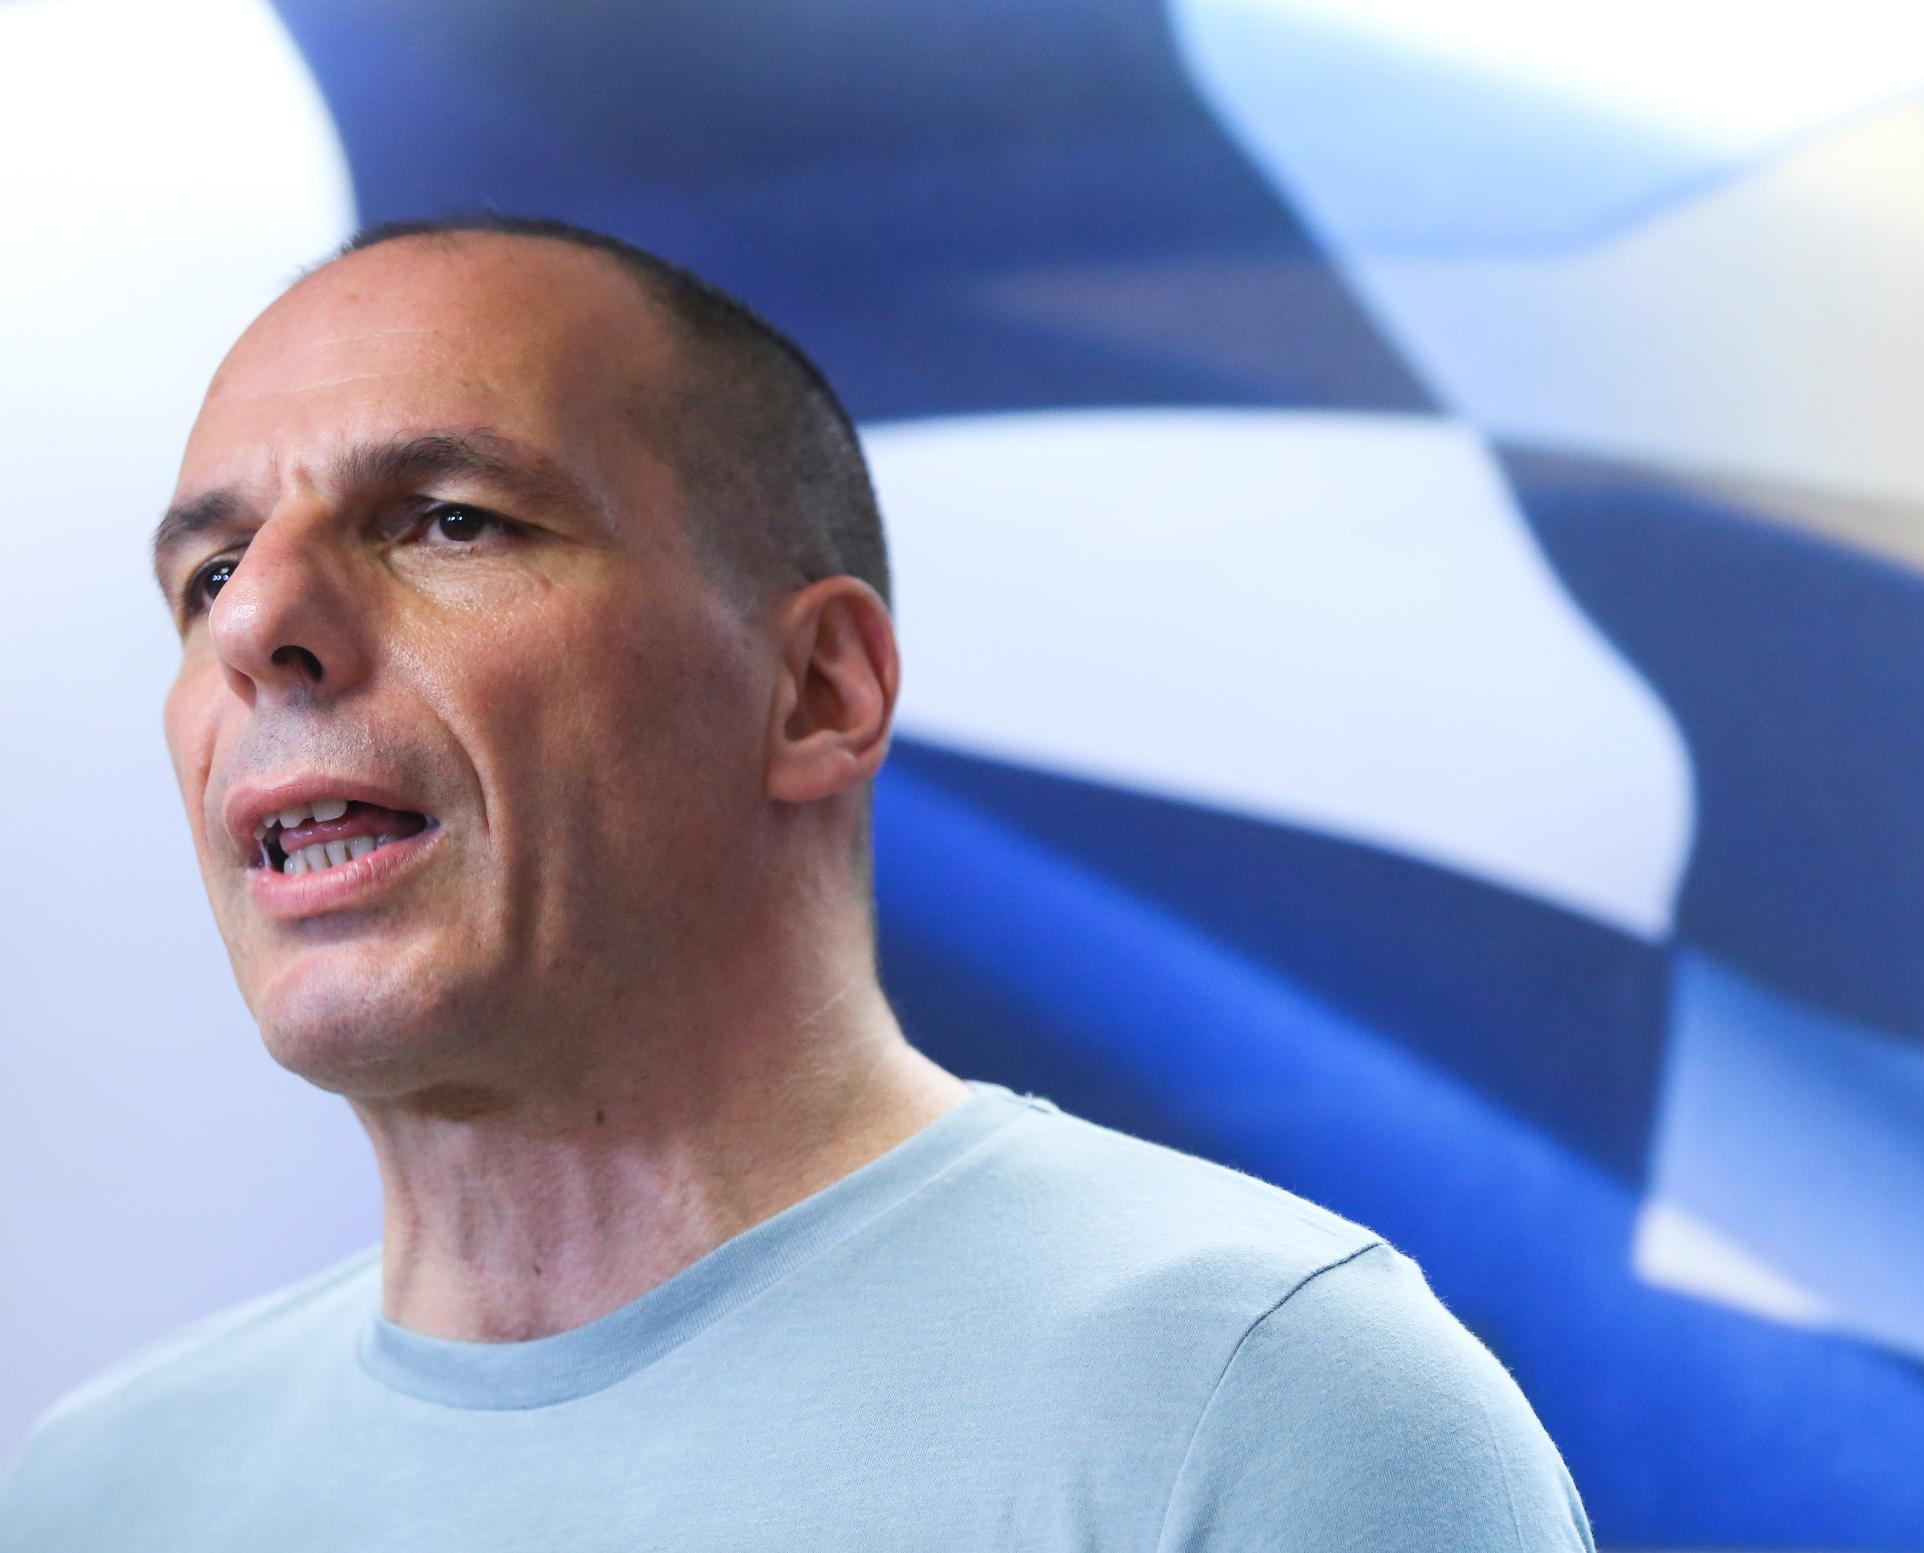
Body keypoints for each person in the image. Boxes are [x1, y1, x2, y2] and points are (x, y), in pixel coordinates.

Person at [0, 215, 1594, 1550]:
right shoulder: (97, 1497)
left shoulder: (1266, 1412)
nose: (251, 623)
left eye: (449, 521)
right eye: (209, 570)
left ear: (820, 689)